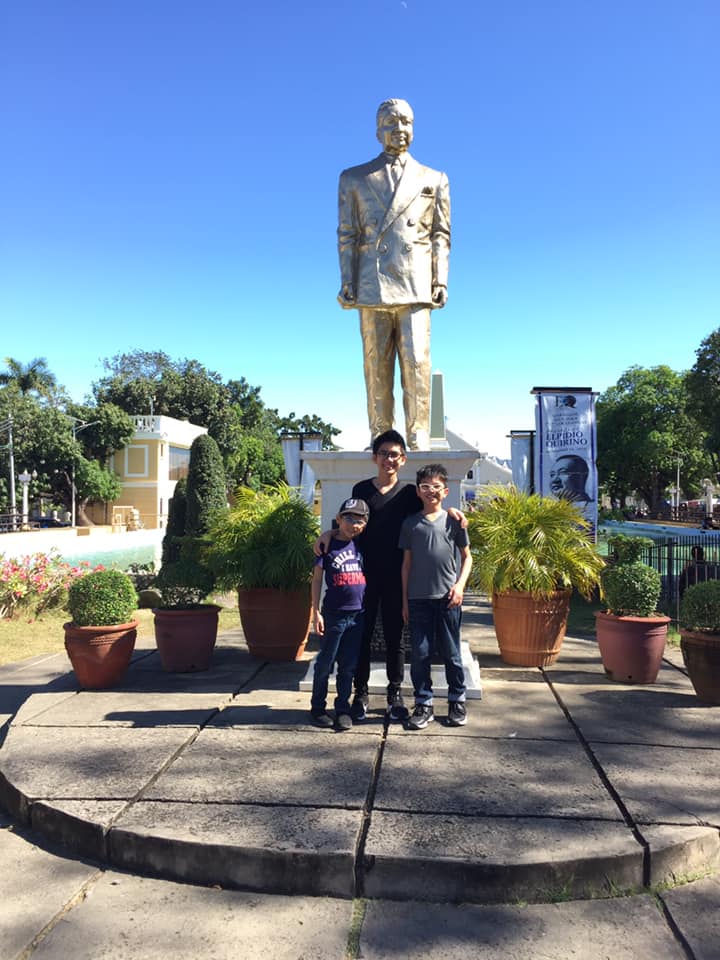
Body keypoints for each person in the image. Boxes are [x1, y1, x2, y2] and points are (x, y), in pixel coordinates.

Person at [337, 98, 451, 450]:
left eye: (406, 123)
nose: (399, 130)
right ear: (377, 131)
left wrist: (440, 279)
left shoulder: (435, 178)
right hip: (373, 285)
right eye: (391, 123)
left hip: (416, 284)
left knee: (417, 363)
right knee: (376, 366)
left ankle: (418, 437)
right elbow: (348, 234)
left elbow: (440, 235)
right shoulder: (354, 178)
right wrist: (348, 281)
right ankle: (380, 436)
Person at [400, 463, 472, 729]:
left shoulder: (454, 521)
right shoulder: (410, 523)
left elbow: (467, 558)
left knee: (452, 653)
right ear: (418, 491)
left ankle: (457, 699)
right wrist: (404, 600)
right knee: (420, 654)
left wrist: (460, 586)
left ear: (446, 490)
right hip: (418, 600)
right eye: (425, 486)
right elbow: (406, 565)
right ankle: (423, 702)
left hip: (448, 598)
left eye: (436, 486)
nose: (431, 491)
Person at [309, 497, 369, 731]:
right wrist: (315, 612)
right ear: (338, 519)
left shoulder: (363, 545)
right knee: (325, 663)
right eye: (349, 518)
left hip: (358, 615)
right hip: (333, 614)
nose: (353, 524)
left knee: (348, 666)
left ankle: (342, 708)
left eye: (359, 520)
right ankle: (317, 707)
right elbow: (316, 579)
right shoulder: (327, 545)